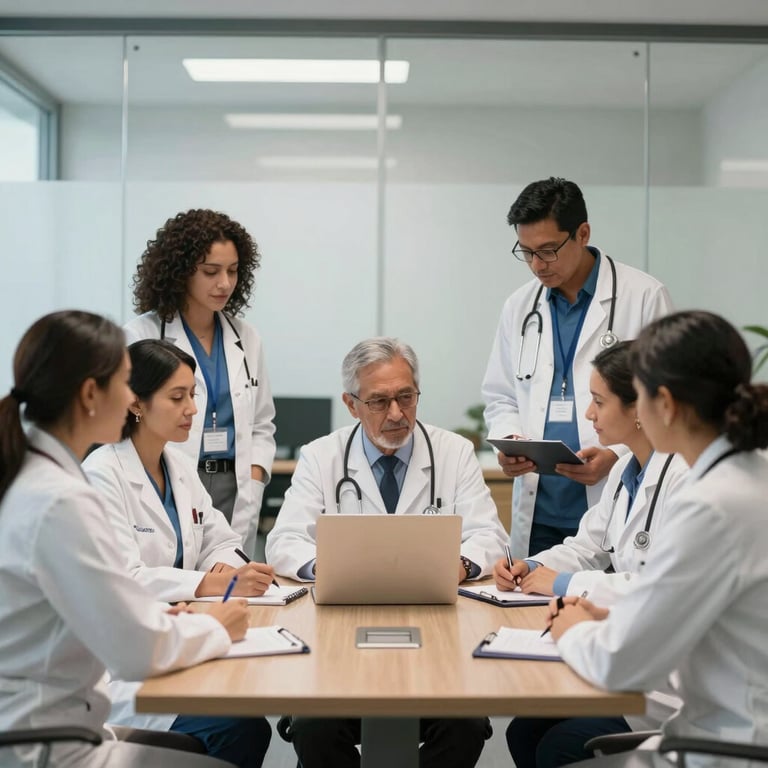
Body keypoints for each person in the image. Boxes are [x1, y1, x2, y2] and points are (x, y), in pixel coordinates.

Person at [0, 310, 251, 768]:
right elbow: (137, 649)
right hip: (48, 743)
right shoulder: (61, 499)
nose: (130, 395)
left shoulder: (39, 477)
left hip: (57, 719)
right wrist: (215, 625)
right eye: (125, 382)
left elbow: (106, 608)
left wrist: (156, 614)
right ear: (91, 394)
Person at [266, 336, 505, 768]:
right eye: (379, 402)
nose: (396, 414)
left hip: (438, 637)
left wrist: (461, 564)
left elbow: (490, 535)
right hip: (338, 639)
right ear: (351, 403)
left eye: (406, 397)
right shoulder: (321, 457)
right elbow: (283, 541)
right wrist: (330, 565)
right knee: (312, 726)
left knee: (465, 725)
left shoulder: (454, 453)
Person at [546, 310, 768, 767]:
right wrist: (619, 616)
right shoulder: (749, 476)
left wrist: (573, 630)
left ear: (663, 404)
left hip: (728, 746)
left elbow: (621, 664)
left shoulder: (710, 505)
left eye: (639, 394)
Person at [493, 341, 687, 768]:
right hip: (631, 652)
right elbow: (588, 545)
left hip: (668, 685)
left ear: (639, 407)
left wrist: (561, 584)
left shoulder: (684, 480)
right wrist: (535, 566)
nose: (588, 414)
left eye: (598, 401)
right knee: (525, 729)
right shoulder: (624, 470)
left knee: (559, 745)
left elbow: (660, 587)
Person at [83, 339, 274, 768]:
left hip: (178, 639)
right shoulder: (103, 475)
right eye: (177, 397)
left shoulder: (179, 466)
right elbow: (124, 578)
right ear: (136, 403)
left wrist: (226, 566)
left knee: (244, 711)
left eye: (193, 395)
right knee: (241, 728)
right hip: (124, 667)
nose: (192, 408)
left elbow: (220, 539)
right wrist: (213, 582)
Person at [482, 177, 673, 558]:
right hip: (538, 508)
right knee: (532, 594)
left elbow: (667, 403)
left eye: (548, 250)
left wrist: (617, 455)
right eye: (527, 252)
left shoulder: (644, 296)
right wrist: (511, 441)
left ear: (582, 233)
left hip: (611, 498)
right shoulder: (519, 306)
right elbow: (501, 396)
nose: (537, 265)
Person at [125, 208, 276, 557]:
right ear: (180, 272)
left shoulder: (246, 337)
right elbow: (127, 418)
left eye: (233, 271)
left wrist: (253, 479)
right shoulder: (142, 334)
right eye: (211, 272)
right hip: (169, 475)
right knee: (177, 577)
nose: (225, 283)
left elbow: (263, 423)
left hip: (235, 484)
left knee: (233, 583)